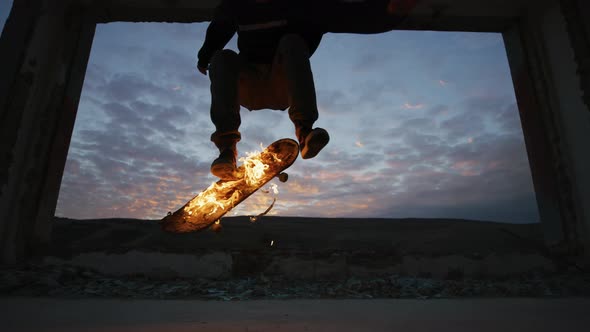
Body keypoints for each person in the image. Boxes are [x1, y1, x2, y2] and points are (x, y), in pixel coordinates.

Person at [197, 0, 330, 180]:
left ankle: (305, 131)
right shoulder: (235, 5)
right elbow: (221, 27)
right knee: (221, 58)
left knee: (292, 41)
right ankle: (227, 150)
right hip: (250, 85)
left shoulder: (295, 6)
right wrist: (205, 55)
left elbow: (315, 26)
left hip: (281, 83)